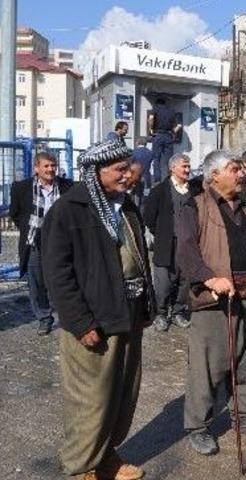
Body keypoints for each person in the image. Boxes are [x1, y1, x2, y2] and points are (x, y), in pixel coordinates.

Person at [42, 139, 154, 480]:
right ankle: (83, 467)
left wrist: (147, 305)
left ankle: (105, 458)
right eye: (120, 169)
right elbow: (57, 274)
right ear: (96, 172)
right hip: (94, 322)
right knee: (90, 399)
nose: (127, 175)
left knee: (121, 393)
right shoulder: (68, 210)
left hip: (128, 314)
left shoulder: (127, 206)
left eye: (127, 167)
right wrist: (79, 322)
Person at [176, 150, 246, 456]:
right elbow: (187, 250)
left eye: (241, 169)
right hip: (216, 300)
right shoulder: (196, 205)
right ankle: (198, 426)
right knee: (208, 366)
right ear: (214, 175)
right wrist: (209, 278)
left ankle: (243, 415)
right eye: (234, 169)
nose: (241, 174)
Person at [9, 152, 73, 335]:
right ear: (37, 168)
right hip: (34, 242)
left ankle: (69, 317)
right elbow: (15, 213)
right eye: (46, 166)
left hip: (61, 242)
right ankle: (44, 318)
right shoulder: (21, 188)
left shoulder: (67, 186)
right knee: (36, 283)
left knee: (63, 280)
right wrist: (28, 228)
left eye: (53, 166)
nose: (51, 169)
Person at [143, 153, 200, 332]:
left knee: (185, 280)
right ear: (172, 168)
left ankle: (178, 312)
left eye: (188, 166)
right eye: (184, 166)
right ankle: (160, 313)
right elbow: (149, 217)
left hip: (189, 245)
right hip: (167, 244)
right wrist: (162, 233)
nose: (188, 170)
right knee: (163, 281)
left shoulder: (195, 191)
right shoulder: (159, 191)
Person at [148, 98, 181, 182]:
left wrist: (151, 129)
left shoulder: (155, 109)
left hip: (158, 135)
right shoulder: (172, 111)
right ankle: (170, 179)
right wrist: (173, 133)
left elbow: (151, 119)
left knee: (156, 159)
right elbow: (179, 125)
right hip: (168, 136)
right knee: (170, 160)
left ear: (157, 103)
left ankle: (157, 180)